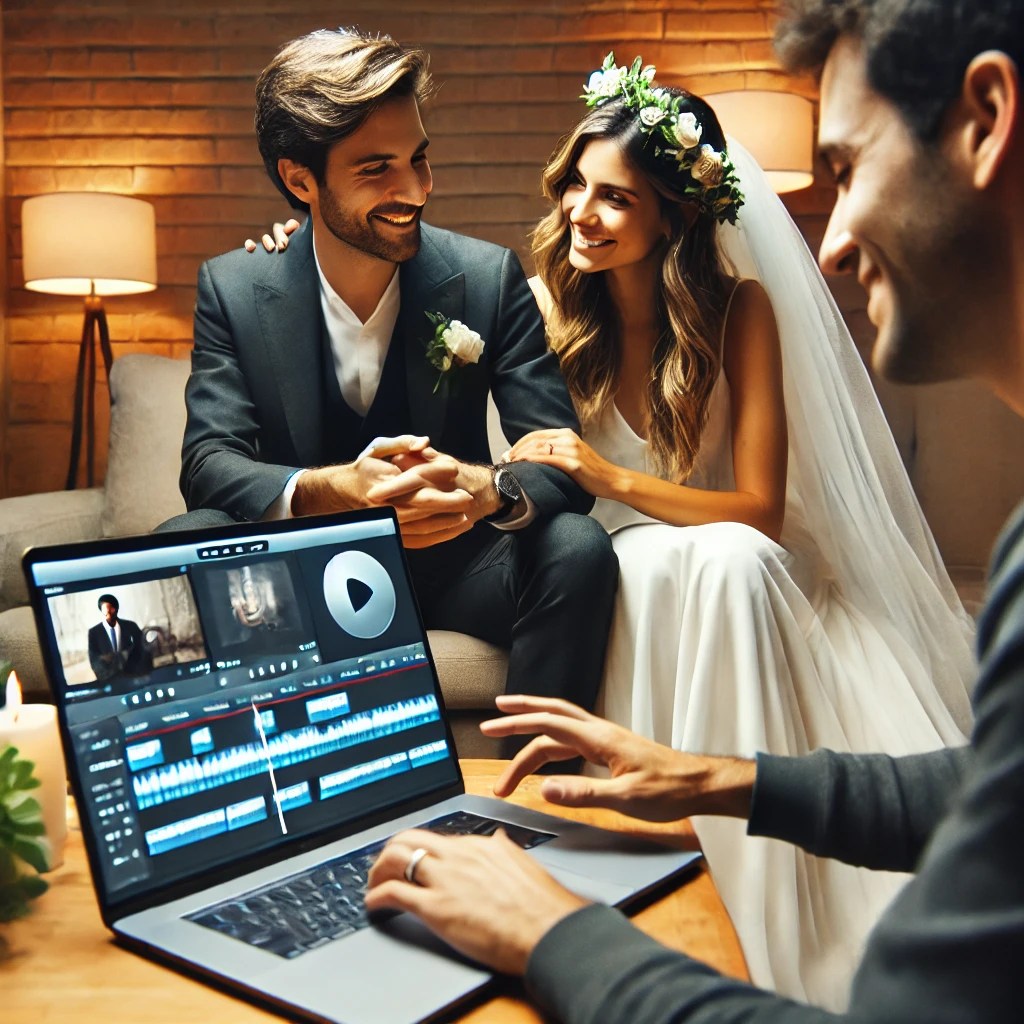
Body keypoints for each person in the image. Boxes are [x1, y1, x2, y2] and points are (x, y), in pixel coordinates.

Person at [256, 45, 977, 1005]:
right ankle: (626, 869)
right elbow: (501, 445)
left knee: (716, 560)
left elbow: (758, 510)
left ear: (672, 215)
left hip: (730, 549)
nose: (580, 215)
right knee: (621, 559)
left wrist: (603, 475)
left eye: (615, 199)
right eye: (576, 188)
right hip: (613, 557)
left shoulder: (741, 313)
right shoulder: (547, 303)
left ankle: (746, 890)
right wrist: (305, 250)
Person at [170, 28, 618, 723]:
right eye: (377, 167)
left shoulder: (486, 277)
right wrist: (330, 491)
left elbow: (559, 465)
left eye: (419, 158)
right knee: (184, 534)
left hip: (459, 571)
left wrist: (481, 489)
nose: (416, 188)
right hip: (301, 579)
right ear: (299, 180)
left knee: (576, 546)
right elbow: (208, 460)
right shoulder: (232, 287)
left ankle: (530, 793)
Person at [87, 593, 150, 680]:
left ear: (116, 608)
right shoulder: (94, 632)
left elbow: (143, 650)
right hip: (110, 679)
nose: (108, 611)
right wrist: (106, 676)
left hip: (134, 676)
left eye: (111, 607)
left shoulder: (131, 626)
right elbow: (94, 659)